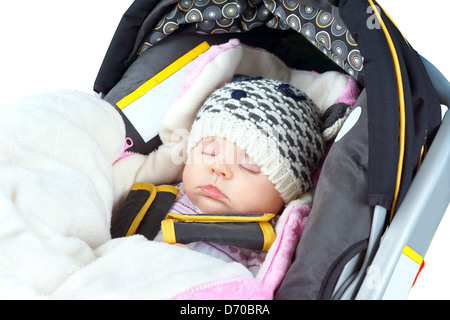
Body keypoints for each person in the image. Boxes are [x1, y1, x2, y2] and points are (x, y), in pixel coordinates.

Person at [153, 76, 328, 274]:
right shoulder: (161, 196)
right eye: (209, 152)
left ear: (286, 194)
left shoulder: (263, 244)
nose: (219, 168)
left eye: (249, 166)